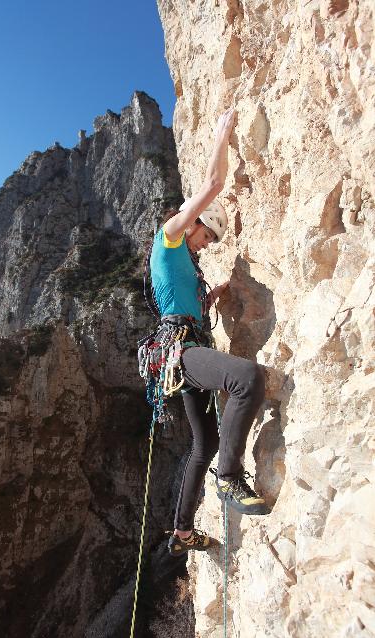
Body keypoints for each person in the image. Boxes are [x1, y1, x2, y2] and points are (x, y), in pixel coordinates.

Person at [146, 107, 269, 558]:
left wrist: (211, 297)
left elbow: (183, 305)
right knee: (247, 378)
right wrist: (221, 135)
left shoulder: (184, 267)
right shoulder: (170, 235)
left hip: (181, 350)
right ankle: (230, 478)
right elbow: (212, 186)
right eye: (206, 238)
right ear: (191, 224)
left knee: (206, 442)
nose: (205, 245)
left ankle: (181, 532)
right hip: (181, 352)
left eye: (210, 243)